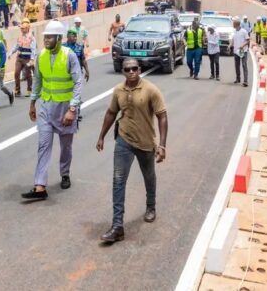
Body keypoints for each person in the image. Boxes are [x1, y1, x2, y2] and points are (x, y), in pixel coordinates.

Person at [95, 58, 168, 243]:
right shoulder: (118, 90)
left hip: (145, 143)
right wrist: (101, 136)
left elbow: (162, 116)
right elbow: (111, 113)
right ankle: (117, 226)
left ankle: (151, 206)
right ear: (123, 71)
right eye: (128, 69)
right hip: (124, 139)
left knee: (149, 177)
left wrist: (162, 145)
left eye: (135, 68)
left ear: (139, 69)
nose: (132, 72)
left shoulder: (150, 89)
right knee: (118, 181)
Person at [22, 20, 83, 200]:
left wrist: (72, 109)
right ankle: (40, 186)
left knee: (66, 146)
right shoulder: (41, 56)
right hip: (46, 108)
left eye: (49, 37)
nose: (46, 40)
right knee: (43, 145)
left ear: (58, 38)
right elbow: (38, 81)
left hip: (65, 109)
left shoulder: (69, 55)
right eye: (45, 37)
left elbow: (78, 82)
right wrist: (33, 102)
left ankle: (65, 173)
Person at [11, 19, 36, 97]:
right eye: (21, 28)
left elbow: (33, 49)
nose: (21, 30)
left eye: (23, 28)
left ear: (28, 28)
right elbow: (17, 46)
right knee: (16, 73)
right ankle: (17, 90)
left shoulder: (31, 38)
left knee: (28, 75)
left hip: (27, 58)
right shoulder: (20, 36)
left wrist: (32, 59)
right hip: (19, 58)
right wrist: (11, 52)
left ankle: (29, 89)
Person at [233, 18, 250, 87]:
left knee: (244, 65)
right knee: (237, 65)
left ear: (236, 24)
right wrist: (229, 45)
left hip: (243, 51)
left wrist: (242, 45)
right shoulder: (234, 31)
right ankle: (238, 78)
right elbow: (233, 39)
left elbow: (248, 40)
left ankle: (245, 81)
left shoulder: (244, 31)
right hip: (236, 51)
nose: (232, 24)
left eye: (233, 23)